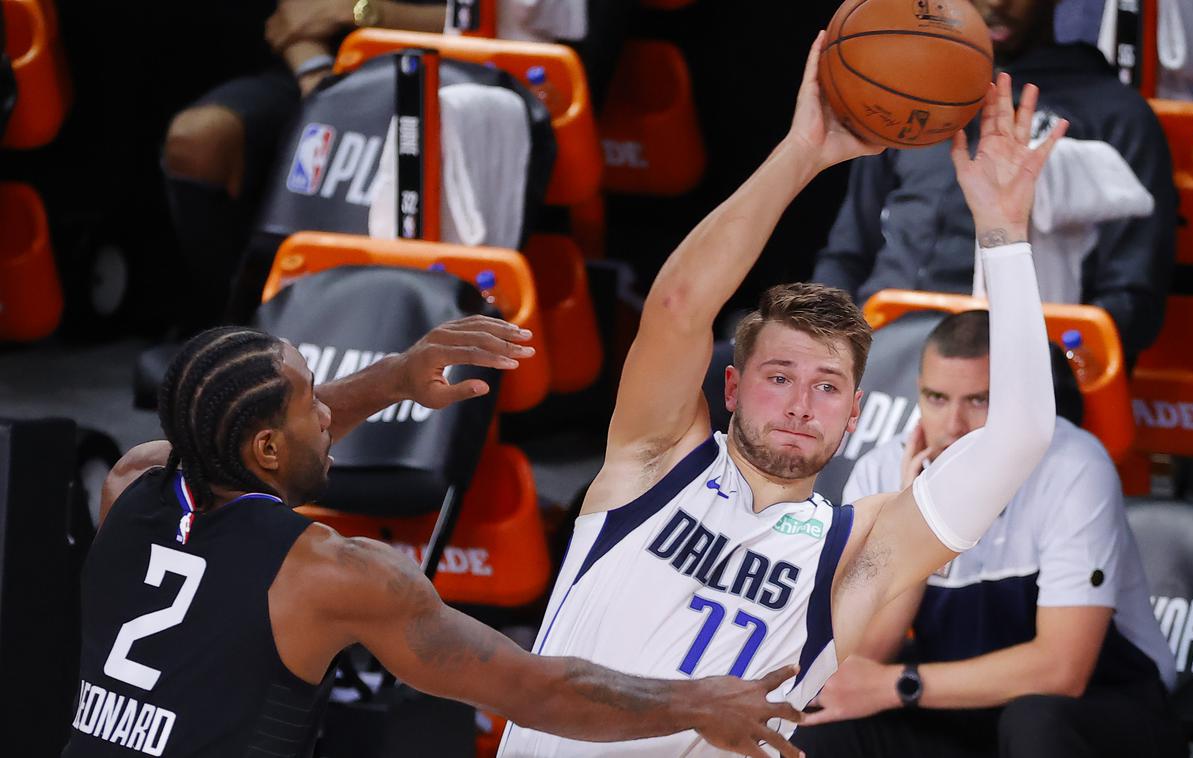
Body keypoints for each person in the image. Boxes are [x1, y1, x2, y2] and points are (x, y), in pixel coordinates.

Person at [499, 30, 1066, 756]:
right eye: (779, 377)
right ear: (731, 387)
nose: (802, 403)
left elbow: (1020, 437)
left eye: (828, 387)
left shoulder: (856, 549)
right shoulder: (654, 463)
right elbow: (676, 306)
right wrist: (805, 150)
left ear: (855, 414)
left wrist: (1003, 231)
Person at [63, 315, 807, 758]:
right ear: (263, 448)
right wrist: (696, 702)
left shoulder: (130, 483)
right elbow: (533, 689)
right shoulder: (330, 574)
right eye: (308, 402)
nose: (326, 412)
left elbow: (255, 442)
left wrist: (391, 381)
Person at [790, 309, 1184, 758]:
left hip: (1106, 703)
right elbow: (864, 659)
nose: (954, 426)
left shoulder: (1073, 465)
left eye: (979, 401)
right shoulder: (883, 470)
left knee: (1035, 720)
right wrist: (912, 523)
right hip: (960, 705)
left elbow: (1063, 669)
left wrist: (902, 684)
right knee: (819, 729)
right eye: (936, 398)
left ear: (1021, 402)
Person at [812, 0, 1177, 367]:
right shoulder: (906, 95)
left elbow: (1132, 302)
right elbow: (848, 253)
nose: (997, 1)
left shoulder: (1116, 114)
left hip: (1017, 370)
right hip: (879, 360)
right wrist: (823, 344)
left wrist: (1040, 369)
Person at [161, 0, 446, 331]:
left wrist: (362, 11)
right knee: (198, 139)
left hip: (461, 80)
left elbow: (508, 24)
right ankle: (227, 330)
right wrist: (318, 80)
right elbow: (293, 16)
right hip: (322, 72)